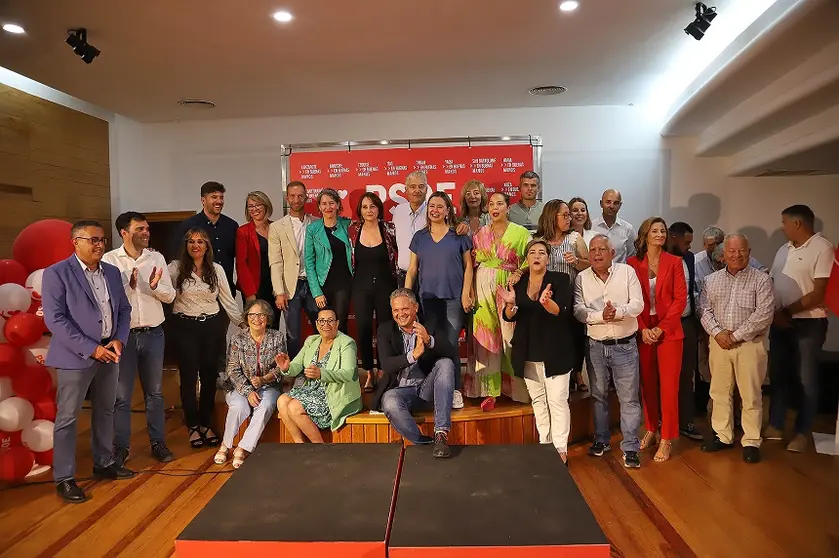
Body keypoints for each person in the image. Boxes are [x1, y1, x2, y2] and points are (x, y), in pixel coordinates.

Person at [42, 220, 135, 503]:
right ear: (75, 242)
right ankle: (65, 478)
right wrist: (92, 349)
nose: (99, 245)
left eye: (102, 240)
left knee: (105, 410)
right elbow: (55, 320)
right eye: (93, 240)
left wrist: (118, 339)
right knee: (68, 418)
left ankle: (104, 463)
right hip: (75, 356)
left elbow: (123, 310)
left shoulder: (111, 271)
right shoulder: (57, 273)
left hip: (110, 351)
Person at [102, 212, 176, 467]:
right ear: (124, 232)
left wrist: (155, 286)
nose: (146, 232)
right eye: (140, 229)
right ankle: (120, 448)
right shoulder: (109, 260)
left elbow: (170, 296)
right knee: (122, 396)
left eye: (147, 228)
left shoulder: (156, 258)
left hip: (154, 334)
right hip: (123, 337)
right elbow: (105, 300)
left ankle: (158, 443)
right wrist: (128, 287)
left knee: (155, 393)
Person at [699, 234, 774, 463]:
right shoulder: (711, 280)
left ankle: (751, 440)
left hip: (750, 344)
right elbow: (703, 309)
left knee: (751, 394)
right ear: (724, 255)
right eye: (731, 251)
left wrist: (735, 336)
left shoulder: (761, 280)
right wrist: (719, 334)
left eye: (741, 251)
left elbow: (764, 314)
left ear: (749, 251)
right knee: (719, 392)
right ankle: (723, 435)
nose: (736, 255)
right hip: (719, 343)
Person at [767, 204, 834, 453]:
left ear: (797, 224)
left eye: (784, 222)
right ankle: (775, 424)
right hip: (779, 322)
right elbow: (773, 282)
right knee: (779, 374)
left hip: (809, 324)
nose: (782, 227)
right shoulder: (783, 249)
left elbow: (818, 293)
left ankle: (802, 432)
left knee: (806, 379)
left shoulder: (822, 248)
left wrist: (786, 312)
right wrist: (774, 314)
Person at [500, 239, 574, 463]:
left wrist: (545, 303)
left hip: (555, 352)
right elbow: (509, 316)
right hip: (528, 351)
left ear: (548, 258)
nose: (537, 256)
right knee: (539, 401)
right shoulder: (519, 283)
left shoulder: (560, 279)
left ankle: (560, 448)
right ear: (527, 258)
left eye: (542, 252)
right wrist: (511, 305)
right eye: (532, 252)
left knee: (558, 401)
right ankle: (545, 443)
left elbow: (561, 312)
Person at [169, 227, 244, 449]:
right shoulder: (175, 268)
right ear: (186, 245)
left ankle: (206, 423)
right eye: (191, 241)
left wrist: (242, 323)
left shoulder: (217, 269)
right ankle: (192, 425)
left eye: (201, 241)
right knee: (189, 377)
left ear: (207, 246)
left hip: (211, 326)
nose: (196, 245)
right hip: (185, 327)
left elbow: (228, 300)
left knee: (210, 377)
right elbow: (162, 290)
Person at [575, 235, 645, 468]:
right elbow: (578, 310)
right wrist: (599, 317)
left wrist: (616, 313)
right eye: (593, 249)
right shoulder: (582, 278)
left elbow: (638, 305)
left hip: (625, 345)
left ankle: (631, 447)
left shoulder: (627, 272)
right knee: (598, 396)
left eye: (601, 249)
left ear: (612, 253)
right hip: (595, 346)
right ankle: (602, 440)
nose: (596, 253)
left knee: (629, 399)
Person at [371, 288, 459, 458]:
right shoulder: (386, 329)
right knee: (389, 401)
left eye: (404, 309)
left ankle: (441, 433)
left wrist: (429, 340)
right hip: (400, 391)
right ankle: (425, 443)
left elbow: (450, 351)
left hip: (427, 389)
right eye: (396, 310)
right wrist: (413, 355)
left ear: (415, 308)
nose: (400, 314)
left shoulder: (430, 324)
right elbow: (387, 365)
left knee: (446, 363)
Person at [627, 217, 687, 463]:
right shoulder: (631, 264)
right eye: (655, 230)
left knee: (669, 387)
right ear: (645, 235)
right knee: (647, 385)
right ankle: (651, 428)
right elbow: (629, 299)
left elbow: (680, 300)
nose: (661, 234)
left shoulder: (675, 262)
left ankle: (667, 437)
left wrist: (661, 328)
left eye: (663, 231)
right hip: (643, 332)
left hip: (669, 332)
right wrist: (642, 328)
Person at [405, 191, 473, 406]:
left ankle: (454, 389)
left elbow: (469, 267)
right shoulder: (419, 237)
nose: (435, 210)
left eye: (440, 207)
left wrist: (465, 293)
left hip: (453, 298)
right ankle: (433, 388)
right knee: (430, 343)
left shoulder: (459, 236)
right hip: (428, 298)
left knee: (451, 345)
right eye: (432, 206)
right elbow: (412, 270)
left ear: (447, 211)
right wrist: (407, 297)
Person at [465, 192, 530, 410]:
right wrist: (470, 291)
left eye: (499, 203)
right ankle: (487, 391)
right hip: (481, 287)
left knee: (510, 337)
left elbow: (533, 258)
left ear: (507, 208)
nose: (495, 207)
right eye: (491, 204)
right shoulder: (479, 233)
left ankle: (518, 389)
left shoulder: (520, 233)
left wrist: (519, 273)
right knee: (485, 338)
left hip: (509, 289)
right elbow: (470, 264)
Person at [215, 299, 286, 468]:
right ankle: (225, 445)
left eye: (261, 315)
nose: (256, 319)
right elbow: (232, 369)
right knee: (239, 407)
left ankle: (243, 448)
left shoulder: (277, 337)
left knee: (266, 404)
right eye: (252, 315)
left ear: (267, 318)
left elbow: (281, 368)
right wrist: (248, 391)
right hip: (240, 386)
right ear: (246, 318)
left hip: (268, 386)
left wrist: (264, 379)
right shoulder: (237, 339)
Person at [275, 307, 362, 442]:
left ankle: (319, 447)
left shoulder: (346, 343)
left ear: (337, 323)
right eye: (321, 321)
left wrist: (322, 374)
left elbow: (348, 373)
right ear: (316, 324)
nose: (325, 325)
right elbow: (296, 365)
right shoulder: (311, 341)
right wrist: (287, 368)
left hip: (334, 393)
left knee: (294, 407)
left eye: (330, 321)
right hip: (311, 390)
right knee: (281, 400)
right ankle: (299, 444)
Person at [535, 199, 590, 392]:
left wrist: (576, 261)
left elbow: (590, 264)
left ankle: (576, 372)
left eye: (569, 215)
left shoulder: (574, 238)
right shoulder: (539, 240)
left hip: (571, 296)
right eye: (565, 215)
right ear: (552, 217)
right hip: (547, 298)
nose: (570, 218)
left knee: (574, 336)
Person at [348, 192, 399, 393]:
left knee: (386, 330)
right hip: (360, 288)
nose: (369, 211)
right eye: (365, 207)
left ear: (379, 209)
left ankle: (383, 371)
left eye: (372, 206)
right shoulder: (352, 230)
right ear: (360, 210)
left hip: (386, 287)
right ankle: (368, 372)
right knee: (363, 329)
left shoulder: (389, 229)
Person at [268, 181, 318, 358]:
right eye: (292, 196)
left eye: (300, 196)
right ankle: (295, 371)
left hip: (314, 285)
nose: (296, 199)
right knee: (293, 333)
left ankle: (319, 368)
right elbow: (275, 262)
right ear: (287, 198)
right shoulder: (276, 227)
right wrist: (279, 292)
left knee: (320, 329)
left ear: (306, 197)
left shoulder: (317, 223)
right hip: (291, 286)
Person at [667, 221, 703, 441]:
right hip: (665, 324)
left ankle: (686, 421)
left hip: (687, 322)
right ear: (673, 238)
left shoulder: (689, 259)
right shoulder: (660, 259)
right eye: (686, 242)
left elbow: (690, 292)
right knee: (666, 376)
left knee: (687, 374)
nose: (690, 246)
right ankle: (664, 421)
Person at [172, 181, 239, 296]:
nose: (219, 201)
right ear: (203, 200)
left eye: (221, 197)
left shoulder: (232, 225)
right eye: (214, 197)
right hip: (198, 291)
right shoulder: (189, 226)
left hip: (226, 288)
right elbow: (179, 257)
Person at [304, 188, 353, 334]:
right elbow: (309, 262)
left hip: (344, 284)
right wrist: (316, 292)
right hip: (322, 284)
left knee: (340, 324)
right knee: (323, 326)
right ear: (319, 207)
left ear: (338, 204)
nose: (328, 207)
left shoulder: (347, 225)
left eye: (332, 203)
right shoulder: (313, 229)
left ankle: (342, 356)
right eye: (324, 204)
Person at [236, 191, 276, 320]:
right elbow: (241, 264)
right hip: (254, 288)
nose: (254, 209)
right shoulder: (243, 231)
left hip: (275, 287)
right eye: (250, 206)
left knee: (273, 325)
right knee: (255, 326)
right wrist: (249, 293)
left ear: (266, 206)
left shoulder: (276, 228)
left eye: (258, 205)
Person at [591, 189, 635, 263]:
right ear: (601, 204)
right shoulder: (591, 227)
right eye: (608, 202)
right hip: (595, 273)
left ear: (620, 205)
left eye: (616, 203)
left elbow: (631, 257)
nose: (612, 206)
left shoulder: (628, 229)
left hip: (621, 273)